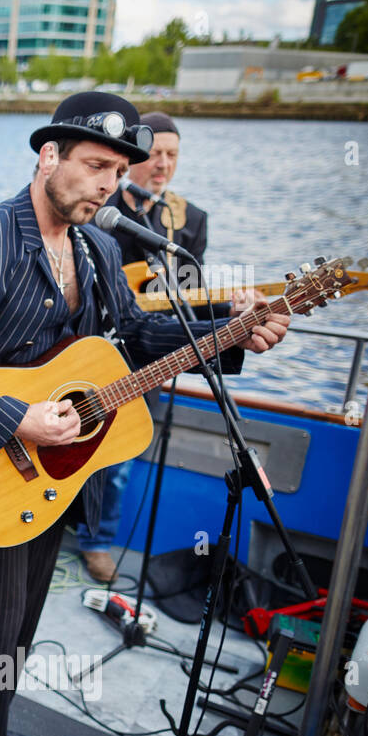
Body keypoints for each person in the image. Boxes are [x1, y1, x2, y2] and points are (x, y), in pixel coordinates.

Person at [0, 93, 289, 736]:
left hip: (54, 478)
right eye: (96, 167)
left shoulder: (100, 248)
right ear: (49, 157)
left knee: (21, 617)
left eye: (118, 172)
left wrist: (226, 337)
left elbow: (133, 340)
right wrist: (16, 418)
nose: (110, 185)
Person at [80, 111, 254, 583]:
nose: (162, 164)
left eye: (172, 155)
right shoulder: (96, 201)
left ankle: (96, 541)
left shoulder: (188, 219)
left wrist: (232, 317)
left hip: (145, 351)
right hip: (84, 343)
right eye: (154, 153)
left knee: (118, 457)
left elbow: (189, 294)